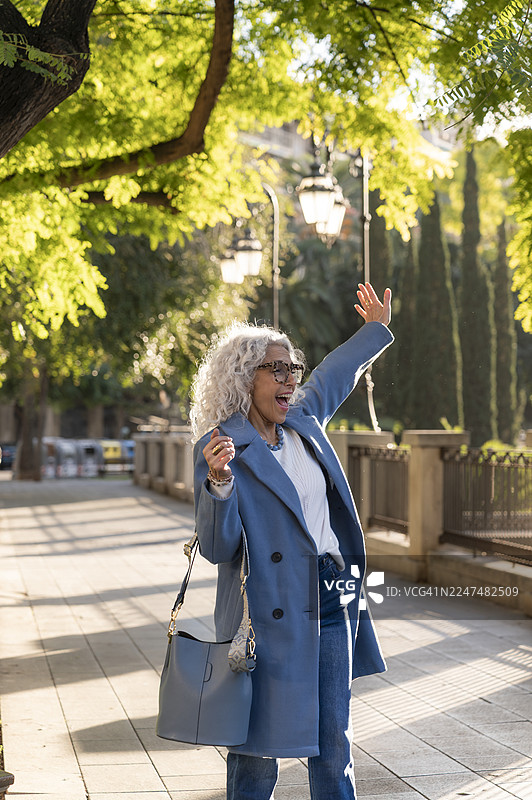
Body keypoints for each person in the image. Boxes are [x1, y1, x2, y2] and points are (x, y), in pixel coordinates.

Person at [190, 282, 393, 800]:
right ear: (244, 378)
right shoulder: (220, 447)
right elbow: (217, 548)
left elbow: (335, 373)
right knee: (257, 754)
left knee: (333, 744)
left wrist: (374, 330)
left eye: (291, 368)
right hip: (267, 612)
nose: (289, 379)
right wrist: (219, 483)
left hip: (331, 595)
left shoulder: (303, 419)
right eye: (275, 369)